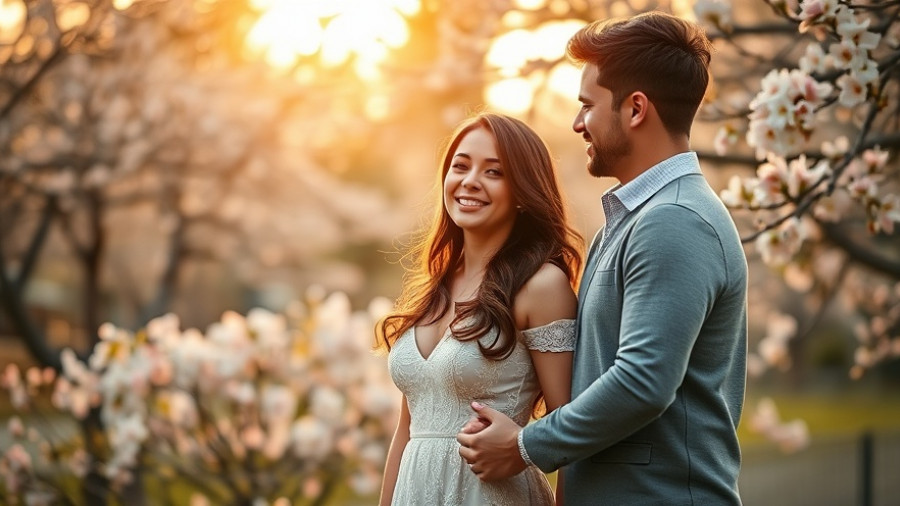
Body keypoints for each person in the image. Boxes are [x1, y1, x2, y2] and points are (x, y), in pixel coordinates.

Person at [457, 11, 748, 505]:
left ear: (635, 109)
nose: (577, 124)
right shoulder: (639, 218)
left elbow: (642, 382)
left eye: (587, 106)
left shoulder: (674, 221)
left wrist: (525, 446)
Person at [376, 112, 584, 505]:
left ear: (523, 192)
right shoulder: (433, 286)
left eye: (494, 172)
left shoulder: (541, 286)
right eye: (461, 166)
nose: (470, 180)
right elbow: (406, 431)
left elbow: (570, 430)